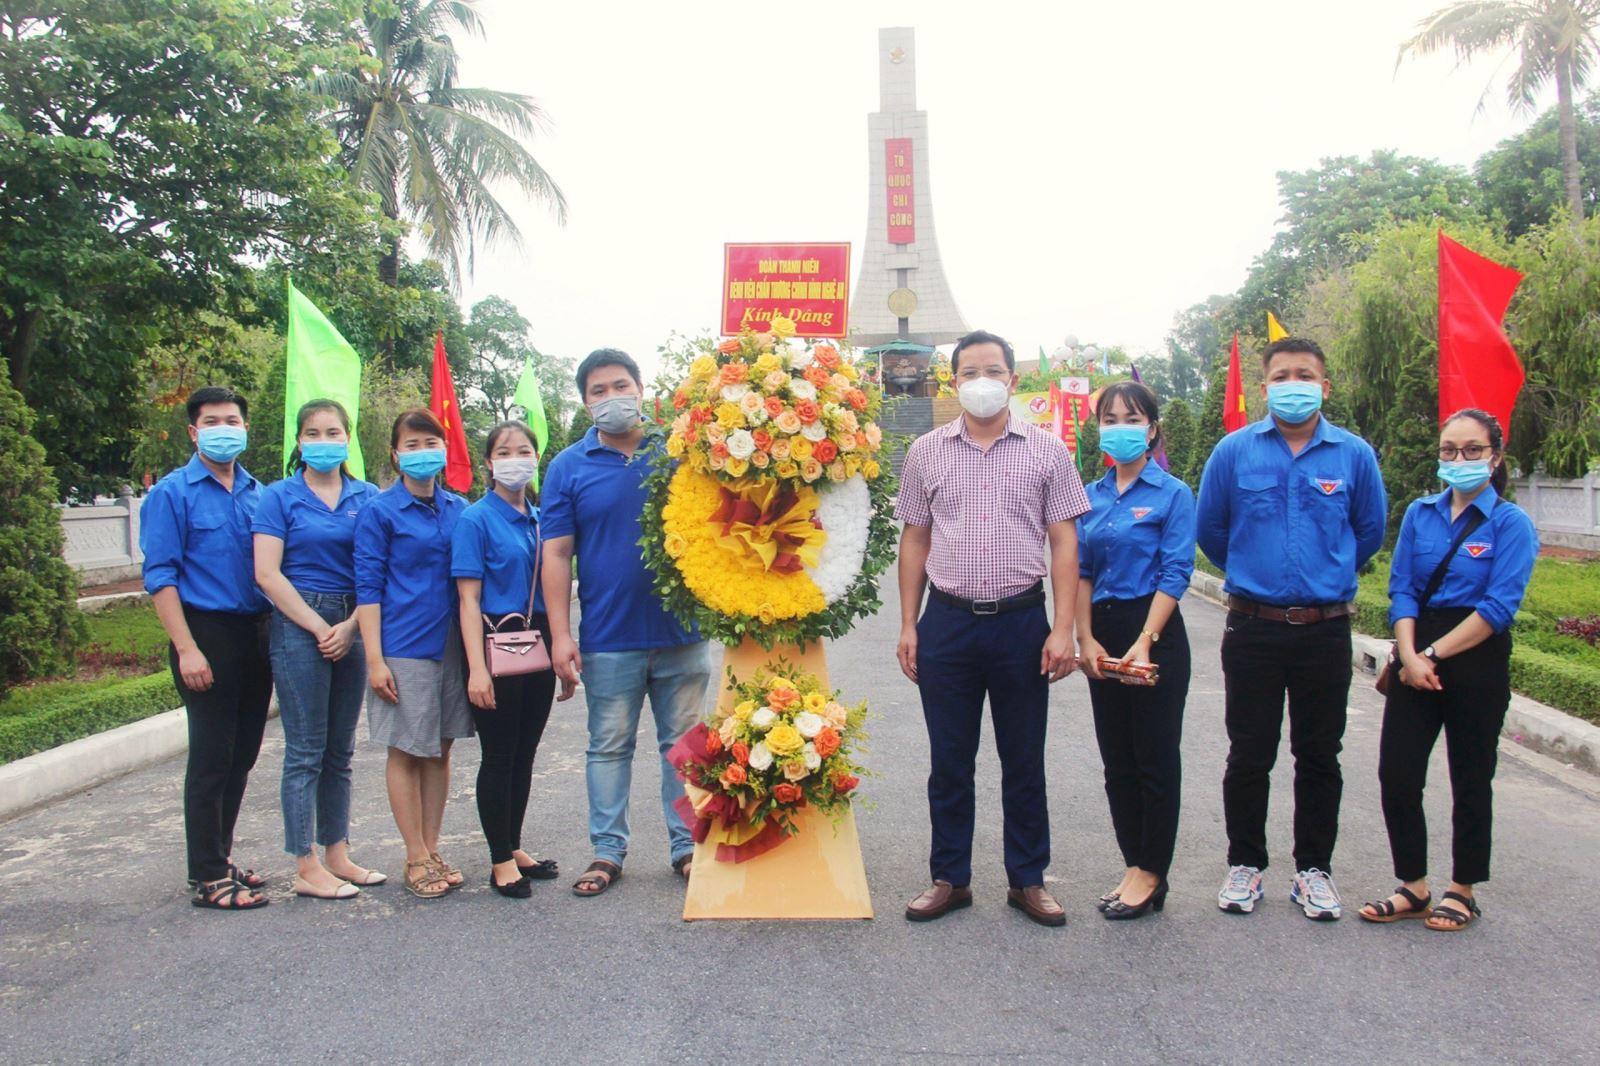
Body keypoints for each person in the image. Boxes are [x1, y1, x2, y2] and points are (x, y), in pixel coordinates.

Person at [894, 329, 1090, 927]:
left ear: (1012, 378)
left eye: (993, 371)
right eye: (969, 372)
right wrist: (908, 624)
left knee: (1023, 759)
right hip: (948, 623)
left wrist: (1062, 628)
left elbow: (1064, 541)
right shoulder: (926, 452)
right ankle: (949, 878)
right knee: (950, 760)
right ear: (953, 381)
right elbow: (915, 539)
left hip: (1021, 624)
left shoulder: (1048, 451)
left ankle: (1027, 879)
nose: (982, 382)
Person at [1196, 336, 1386, 921]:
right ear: (1265, 387)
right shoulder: (1234, 452)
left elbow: (1369, 532)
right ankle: (1245, 864)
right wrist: (1258, 573)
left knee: (1319, 754)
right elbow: (1213, 532)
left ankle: (1313, 871)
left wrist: (1324, 574)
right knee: (1249, 752)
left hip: (1324, 630)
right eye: (1281, 376)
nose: (1293, 385)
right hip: (1252, 627)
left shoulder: (1354, 455)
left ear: (1324, 386)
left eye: (1304, 375)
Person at [542, 348, 712, 898]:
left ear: (641, 389)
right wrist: (561, 634)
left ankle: (687, 847)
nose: (612, 397)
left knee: (683, 746)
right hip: (609, 636)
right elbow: (556, 553)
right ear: (585, 402)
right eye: (599, 391)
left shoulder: (679, 452)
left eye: (621, 385)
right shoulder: (568, 467)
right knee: (609, 746)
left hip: (682, 632)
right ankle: (607, 851)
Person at [1359, 409, 1537, 931]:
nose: (1459, 459)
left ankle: (1463, 889)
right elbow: (1402, 589)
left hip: (1475, 655)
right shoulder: (1420, 514)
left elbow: (1498, 607)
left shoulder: (1511, 523)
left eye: (1472, 450)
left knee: (1471, 775)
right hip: (1416, 648)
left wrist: (1432, 656)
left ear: (1495, 457)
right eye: (1449, 450)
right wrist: (1410, 654)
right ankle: (1413, 886)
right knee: (1397, 772)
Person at [141, 386, 273, 911]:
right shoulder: (172, 494)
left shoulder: (259, 493)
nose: (224, 429)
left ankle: (218, 855)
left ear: (245, 428)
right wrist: (186, 648)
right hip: (205, 633)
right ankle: (208, 876)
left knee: (242, 755)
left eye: (232, 420)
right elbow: (161, 576)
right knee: (212, 757)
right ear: (194, 432)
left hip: (255, 633)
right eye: (213, 422)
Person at [252, 399, 382, 900]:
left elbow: (377, 569)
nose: (323, 441)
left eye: (333, 432)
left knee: (339, 750)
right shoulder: (278, 497)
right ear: (299, 441)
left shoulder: (367, 497)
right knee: (305, 750)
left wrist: (349, 627)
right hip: (299, 622)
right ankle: (304, 864)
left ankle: (337, 852)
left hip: (354, 619)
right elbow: (267, 573)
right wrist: (318, 627)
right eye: (313, 433)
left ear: (348, 439)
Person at [1074, 381, 1195, 921]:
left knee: (1154, 757)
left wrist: (1145, 641)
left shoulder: (1172, 493)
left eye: (1131, 419)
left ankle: (1152, 870)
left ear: (1151, 429)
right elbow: (1081, 571)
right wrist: (1085, 638)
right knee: (1117, 761)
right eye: (1110, 419)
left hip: (1154, 630)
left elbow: (1176, 570)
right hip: (1103, 629)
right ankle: (1133, 864)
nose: (1119, 428)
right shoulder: (1089, 495)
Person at [454, 421, 577, 899]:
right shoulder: (475, 519)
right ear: (488, 462)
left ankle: (515, 844)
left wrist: (562, 651)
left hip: (540, 639)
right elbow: (468, 599)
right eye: (503, 452)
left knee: (525, 752)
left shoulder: (544, 519)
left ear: (536, 459)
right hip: (495, 640)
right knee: (500, 753)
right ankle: (499, 859)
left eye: (523, 450)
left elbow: (559, 586)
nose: (514, 459)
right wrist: (477, 669)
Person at [353, 409, 472, 900]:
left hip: (452, 645)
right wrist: (374, 659)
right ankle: (414, 854)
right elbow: (368, 587)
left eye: (432, 442)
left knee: (440, 748)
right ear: (396, 454)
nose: (424, 452)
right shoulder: (379, 512)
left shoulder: (460, 508)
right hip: (403, 645)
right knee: (405, 749)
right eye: (413, 444)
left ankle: (433, 846)